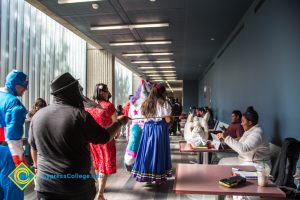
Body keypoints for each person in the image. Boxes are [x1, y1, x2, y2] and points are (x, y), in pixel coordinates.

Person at [28, 73, 128, 200]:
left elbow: (33, 147)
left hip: (45, 186)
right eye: (77, 89)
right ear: (70, 92)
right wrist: (119, 122)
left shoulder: (38, 116)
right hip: (75, 187)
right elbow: (103, 137)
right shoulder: (79, 116)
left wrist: (36, 167)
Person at [131, 83, 172, 184]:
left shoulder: (145, 103)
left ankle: (146, 175)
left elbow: (143, 116)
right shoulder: (164, 103)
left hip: (148, 129)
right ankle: (157, 175)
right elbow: (167, 120)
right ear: (162, 92)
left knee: (147, 150)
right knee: (158, 151)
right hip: (160, 129)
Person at [86, 83, 120, 200]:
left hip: (93, 140)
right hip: (106, 139)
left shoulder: (89, 106)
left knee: (97, 164)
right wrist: (116, 133)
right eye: (107, 92)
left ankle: (99, 190)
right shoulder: (109, 106)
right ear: (104, 93)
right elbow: (116, 124)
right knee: (104, 166)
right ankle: (100, 194)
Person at [0, 70, 28, 167]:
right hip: (8, 151)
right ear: (16, 85)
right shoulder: (13, 103)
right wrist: (20, 161)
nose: (25, 89)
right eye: (24, 86)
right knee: (19, 181)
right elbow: (13, 134)